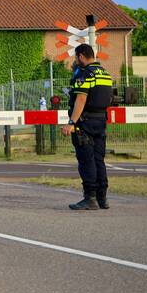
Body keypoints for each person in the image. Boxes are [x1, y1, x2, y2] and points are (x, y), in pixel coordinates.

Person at [61, 43, 113, 210]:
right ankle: (102, 198)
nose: (76, 61)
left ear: (81, 56)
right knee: (99, 160)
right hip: (101, 122)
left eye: (76, 57)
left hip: (85, 122)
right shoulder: (105, 74)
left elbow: (81, 99)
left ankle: (89, 198)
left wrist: (71, 123)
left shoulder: (84, 74)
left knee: (86, 160)